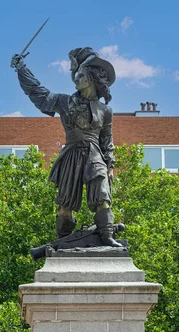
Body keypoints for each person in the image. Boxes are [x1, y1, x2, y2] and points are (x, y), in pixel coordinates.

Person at [10, 47, 120, 246]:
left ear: (91, 78)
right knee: (65, 203)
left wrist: (110, 165)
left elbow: (107, 141)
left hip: (95, 155)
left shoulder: (105, 111)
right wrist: (21, 69)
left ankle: (107, 236)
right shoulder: (64, 102)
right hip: (71, 154)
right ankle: (63, 242)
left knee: (102, 194)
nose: (76, 79)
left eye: (80, 74)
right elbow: (38, 92)